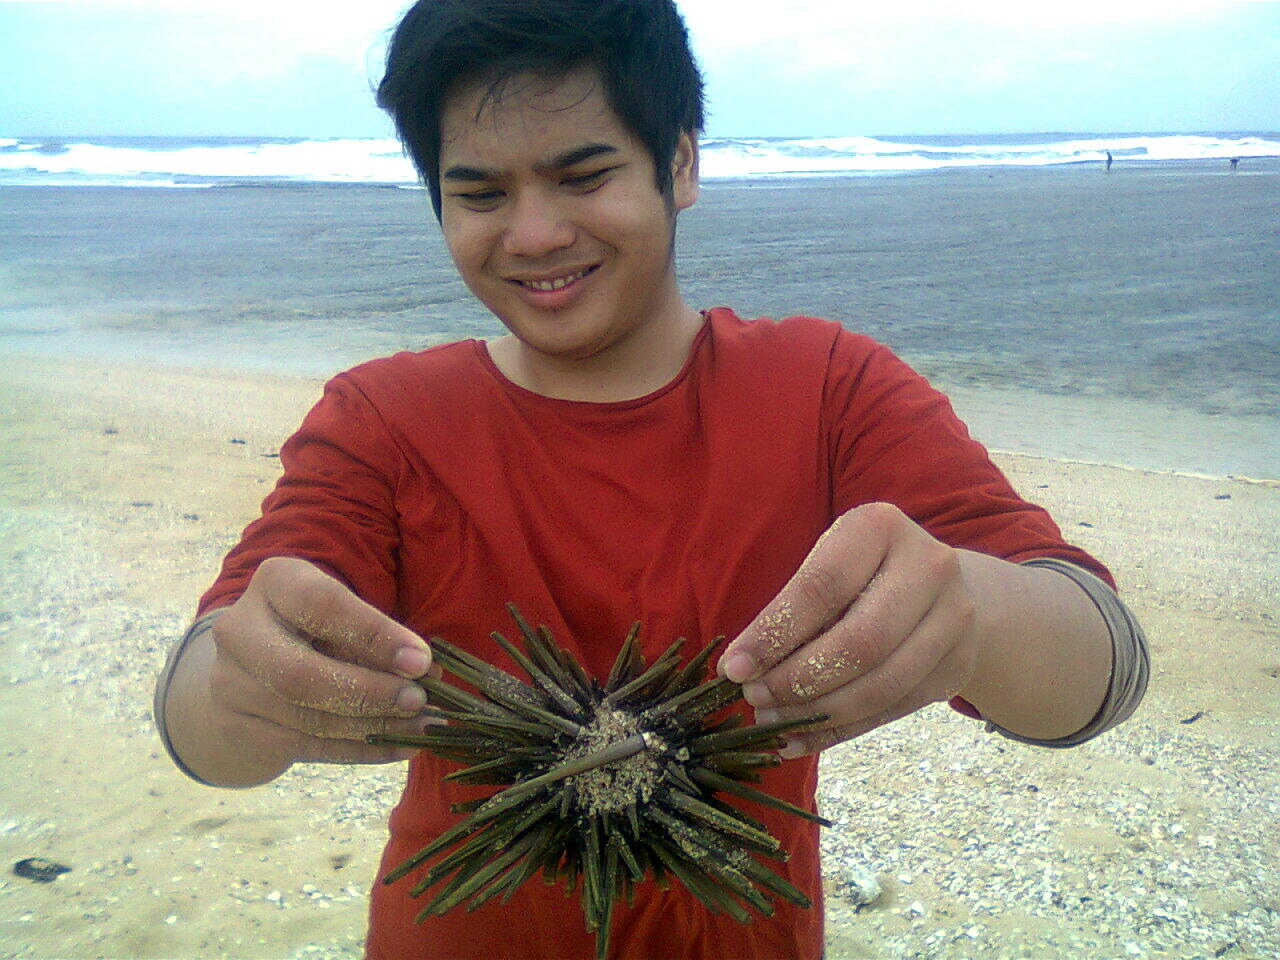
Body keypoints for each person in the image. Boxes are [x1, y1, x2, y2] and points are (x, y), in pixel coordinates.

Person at [153, 1, 1148, 958]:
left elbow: (1104, 672)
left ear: (680, 162)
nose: (533, 234)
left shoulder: (827, 392)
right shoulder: (379, 424)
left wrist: (973, 613)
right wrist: (244, 691)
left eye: (583, 175)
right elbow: (198, 712)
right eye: (481, 195)